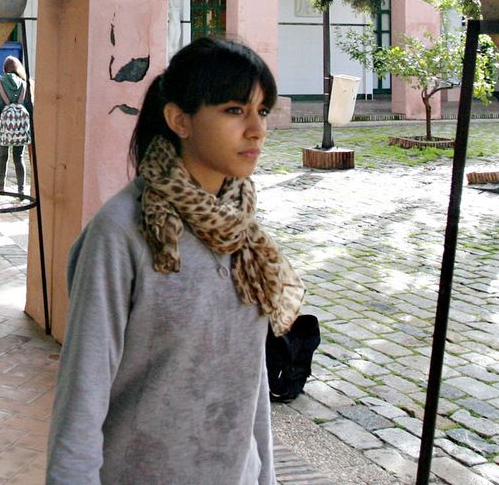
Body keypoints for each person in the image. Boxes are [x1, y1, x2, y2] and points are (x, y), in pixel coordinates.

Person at [45, 36, 306, 484]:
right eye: (234, 110)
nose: (256, 129)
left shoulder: (241, 231)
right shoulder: (122, 232)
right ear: (179, 120)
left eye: (261, 111)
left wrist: (266, 475)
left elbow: (250, 382)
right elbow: (82, 397)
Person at [0, 56, 31, 195]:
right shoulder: (25, 85)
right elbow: (30, 107)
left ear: (4, 69)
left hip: (4, 128)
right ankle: (21, 190)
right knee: (19, 157)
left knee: (3, 157)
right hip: (20, 129)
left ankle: (1, 187)